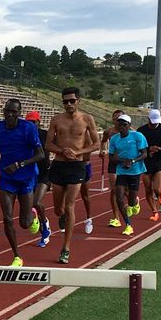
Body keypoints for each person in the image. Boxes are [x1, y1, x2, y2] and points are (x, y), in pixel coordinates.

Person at [0, 98, 44, 266]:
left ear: (19, 113)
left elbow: (41, 155)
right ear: (4, 111)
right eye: (7, 111)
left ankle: (32, 215)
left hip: (25, 177)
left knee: (24, 224)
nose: (10, 114)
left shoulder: (28, 128)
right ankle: (17, 256)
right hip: (7, 178)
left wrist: (19, 164)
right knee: (7, 217)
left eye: (14, 112)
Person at [45, 87, 99, 264]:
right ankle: (61, 216)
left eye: (72, 101)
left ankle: (65, 248)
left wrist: (78, 152)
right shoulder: (56, 119)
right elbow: (48, 144)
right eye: (65, 101)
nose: (68, 104)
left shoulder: (86, 119)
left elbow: (96, 144)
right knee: (58, 209)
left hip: (77, 166)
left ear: (78, 101)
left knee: (70, 207)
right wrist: (63, 151)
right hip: (59, 165)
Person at [107, 113, 147, 234]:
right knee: (119, 197)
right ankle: (128, 225)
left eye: (124, 124)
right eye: (119, 124)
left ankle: (135, 203)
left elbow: (144, 153)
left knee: (131, 201)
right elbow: (111, 157)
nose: (121, 126)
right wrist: (121, 161)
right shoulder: (114, 139)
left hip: (135, 172)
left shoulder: (137, 136)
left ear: (129, 125)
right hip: (122, 171)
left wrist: (133, 161)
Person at [137, 109, 161, 221]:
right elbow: (138, 146)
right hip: (146, 161)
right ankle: (154, 211)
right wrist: (149, 149)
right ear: (148, 119)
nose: (154, 124)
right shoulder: (141, 130)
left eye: (156, 121)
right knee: (148, 189)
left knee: (156, 188)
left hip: (159, 160)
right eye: (152, 121)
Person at [24, 111, 53, 247]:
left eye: (33, 122)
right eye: (28, 122)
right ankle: (43, 224)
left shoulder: (45, 135)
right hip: (30, 173)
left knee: (36, 201)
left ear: (38, 122)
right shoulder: (23, 135)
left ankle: (45, 227)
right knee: (29, 206)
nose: (30, 124)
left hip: (44, 173)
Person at [101, 110, 125, 228]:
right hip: (114, 162)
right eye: (115, 119)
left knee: (126, 191)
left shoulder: (131, 131)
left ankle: (134, 200)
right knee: (115, 189)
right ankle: (116, 217)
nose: (117, 121)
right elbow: (103, 141)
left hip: (127, 163)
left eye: (119, 119)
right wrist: (102, 150)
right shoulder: (109, 132)